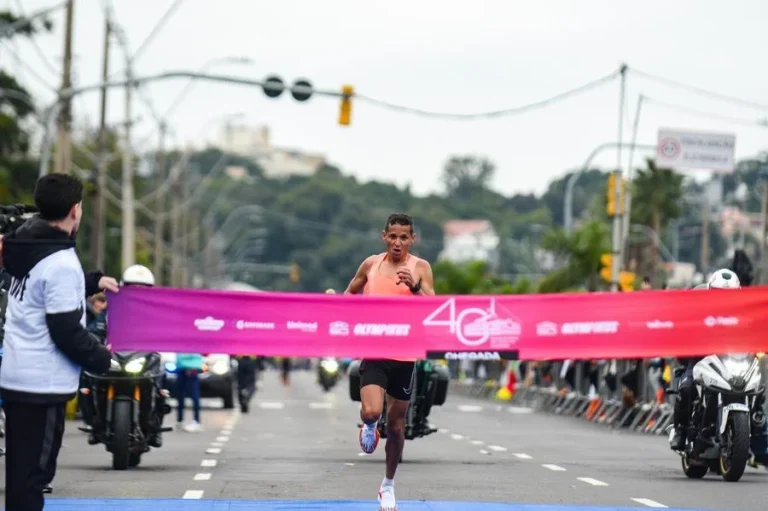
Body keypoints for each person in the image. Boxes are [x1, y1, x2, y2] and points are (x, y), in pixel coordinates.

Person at [0, 173, 118, 511]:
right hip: (44, 385)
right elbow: (65, 330)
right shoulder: (61, 262)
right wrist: (102, 358)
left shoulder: (24, 245)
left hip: (18, 376)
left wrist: (93, 281)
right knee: (35, 477)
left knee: (21, 475)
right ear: (75, 210)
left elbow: (44, 293)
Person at [344, 212, 435, 511]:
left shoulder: (420, 267)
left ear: (412, 239)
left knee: (397, 426)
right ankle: (370, 425)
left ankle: (388, 486)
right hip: (374, 349)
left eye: (404, 237)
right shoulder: (371, 264)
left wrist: (415, 289)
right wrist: (332, 306)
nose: (398, 243)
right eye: (392, 237)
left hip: (405, 355)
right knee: (372, 410)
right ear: (384, 236)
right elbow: (350, 294)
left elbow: (433, 308)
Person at [669, 268, 741, 451]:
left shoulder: (743, 313)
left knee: (755, 389)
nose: (723, 298)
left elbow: (756, 330)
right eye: (719, 293)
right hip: (702, 359)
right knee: (686, 388)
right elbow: (684, 325)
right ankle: (681, 430)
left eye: (728, 295)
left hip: (730, 361)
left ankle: (755, 432)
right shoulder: (698, 308)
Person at [176, 352, 204, 432]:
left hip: (192, 369)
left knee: (194, 396)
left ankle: (196, 421)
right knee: (180, 396)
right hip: (182, 368)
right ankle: (180, 420)